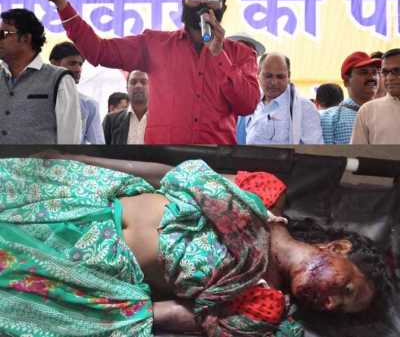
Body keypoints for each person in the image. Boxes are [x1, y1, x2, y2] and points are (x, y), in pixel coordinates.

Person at [0, 153, 389, 337]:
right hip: (78, 197)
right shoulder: (266, 193)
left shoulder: (262, 305)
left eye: (338, 309)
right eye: (347, 288)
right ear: (339, 248)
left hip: (76, 269)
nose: (331, 302)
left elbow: (160, 315)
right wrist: (79, 159)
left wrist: (74, 311)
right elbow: (172, 176)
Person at [30, 0, 260, 144]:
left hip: (216, 165)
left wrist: (219, 55)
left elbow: (247, 105)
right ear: (184, 2)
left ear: (223, 8)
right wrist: (62, 4)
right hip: (162, 165)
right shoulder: (155, 44)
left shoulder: (240, 54)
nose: (202, 1)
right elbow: (98, 50)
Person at [0, 8, 81, 144]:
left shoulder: (59, 79)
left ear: (26, 38)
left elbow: (69, 141)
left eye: (4, 33)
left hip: (41, 165)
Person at [245, 53, 323, 144]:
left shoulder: (305, 108)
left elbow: (313, 150)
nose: (274, 82)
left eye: (280, 77)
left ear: (288, 76)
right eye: (268, 76)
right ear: (258, 74)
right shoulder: (251, 103)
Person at [49, 41, 105, 144]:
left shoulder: (89, 105)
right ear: (54, 64)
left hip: (71, 159)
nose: (78, 69)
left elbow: (98, 146)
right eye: (72, 63)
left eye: (80, 64)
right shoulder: (34, 99)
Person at [320, 52, 381, 144]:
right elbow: (326, 157)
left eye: (375, 72)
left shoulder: (388, 113)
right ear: (346, 81)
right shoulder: (329, 118)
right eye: (364, 72)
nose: (372, 77)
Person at [351, 48, 400, 144]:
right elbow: (357, 154)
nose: (389, 78)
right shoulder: (367, 111)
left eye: (397, 71)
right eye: (385, 72)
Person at [103, 70, 149, 144]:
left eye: (144, 82)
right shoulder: (111, 121)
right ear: (127, 88)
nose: (138, 86)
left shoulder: (163, 121)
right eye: (133, 82)